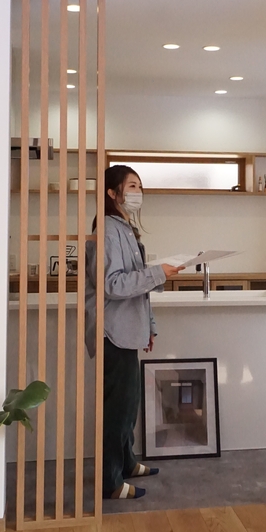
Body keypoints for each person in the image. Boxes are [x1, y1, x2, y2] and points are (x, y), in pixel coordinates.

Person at [86, 165, 184, 500]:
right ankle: (110, 482)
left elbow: (138, 287)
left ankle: (126, 464)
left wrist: (149, 326)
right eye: (131, 186)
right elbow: (112, 284)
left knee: (127, 406)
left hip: (128, 330)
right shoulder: (107, 230)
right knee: (117, 410)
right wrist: (159, 273)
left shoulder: (125, 229)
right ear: (112, 193)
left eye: (140, 186)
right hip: (113, 331)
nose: (137, 192)